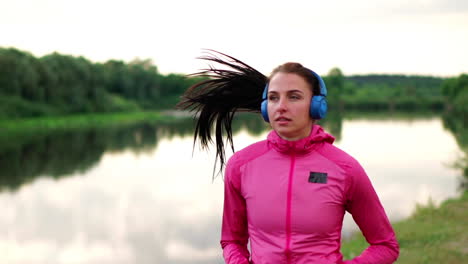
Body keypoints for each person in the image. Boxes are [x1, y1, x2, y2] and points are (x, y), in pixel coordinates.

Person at [178, 50, 399, 264]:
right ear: (265, 107)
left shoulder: (344, 168)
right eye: (273, 98)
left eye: (294, 97)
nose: (281, 107)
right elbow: (232, 241)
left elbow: (385, 245)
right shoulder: (241, 165)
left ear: (316, 105)